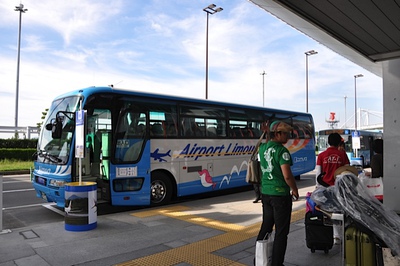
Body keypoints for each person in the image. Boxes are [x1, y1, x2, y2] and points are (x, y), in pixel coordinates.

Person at [256, 121, 299, 266]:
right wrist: (295, 189)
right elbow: (287, 175)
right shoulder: (282, 151)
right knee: (281, 232)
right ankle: (277, 264)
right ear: (278, 134)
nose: (288, 136)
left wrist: (268, 133)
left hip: (266, 194)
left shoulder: (262, 148)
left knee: (266, 228)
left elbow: (269, 147)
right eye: (285, 133)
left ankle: (259, 260)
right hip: (280, 196)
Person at [315, 132, 350, 244]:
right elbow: (347, 171)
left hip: (325, 188)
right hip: (339, 188)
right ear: (338, 142)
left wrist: (318, 187)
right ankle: (339, 235)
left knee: (328, 211)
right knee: (340, 210)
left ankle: (332, 235)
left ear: (328, 142)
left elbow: (318, 174)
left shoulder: (321, 155)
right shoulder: (342, 155)